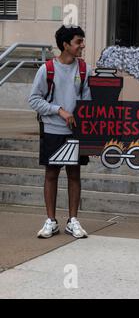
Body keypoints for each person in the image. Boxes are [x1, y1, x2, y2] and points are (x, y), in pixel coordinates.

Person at [29, 25, 92, 239]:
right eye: (78, 42)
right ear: (65, 45)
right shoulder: (47, 69)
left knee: (74, 174)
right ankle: (51, 221)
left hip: (76, 131)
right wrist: (59, 110)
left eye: (82, 41)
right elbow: (34, 100)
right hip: (52, 129)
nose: (82, 45)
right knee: (51, 174)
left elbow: (89, 99)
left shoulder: (84, 69)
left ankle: (73, 220)